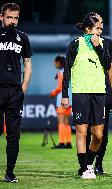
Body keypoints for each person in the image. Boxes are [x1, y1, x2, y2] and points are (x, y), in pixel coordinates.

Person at [61, 12, 111, 179]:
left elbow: (107, 65)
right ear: (88, 29)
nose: (100, 30)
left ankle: (89, 162)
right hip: (80, 92)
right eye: (98, 27)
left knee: (98, 134)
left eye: (101, 27)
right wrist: (64, 94)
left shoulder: (105, 43)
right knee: (82, 132)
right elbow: (66, 70)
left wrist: (98, 46)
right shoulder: (75, 44)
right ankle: (84, 168)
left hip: (99, 92)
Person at [0, 3, 32, 183]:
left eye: (15, 18)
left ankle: (10, 172)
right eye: (9, 17)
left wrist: (24, 86)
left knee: (13, 135)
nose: (12, 21)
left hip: (14, 91)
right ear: (1, 17)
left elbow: (27, 62)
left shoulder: (22, 37)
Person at [85, 14, 112, 175]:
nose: (101, 25)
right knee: (87, 129)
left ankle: (99, 163)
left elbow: (111, 69)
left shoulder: (108, 43)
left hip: (104, 93)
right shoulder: (81, 43)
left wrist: (111, 90)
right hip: (87, 91)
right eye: (98, 22)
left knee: (102, 130)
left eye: (102, 23)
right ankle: (86, 164)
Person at [49, 55, 72, 149]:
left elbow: (60, 87)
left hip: (62, 99)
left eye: (55, 62)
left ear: (59, 62)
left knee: (61, 122)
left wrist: (53, 93)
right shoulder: (70, 71)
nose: (54, 64)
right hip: (70, 99)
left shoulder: (60, 73)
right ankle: (68, 143)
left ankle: (62, 143)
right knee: (67, 122)